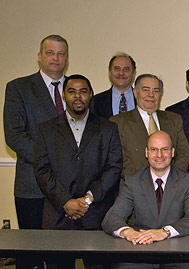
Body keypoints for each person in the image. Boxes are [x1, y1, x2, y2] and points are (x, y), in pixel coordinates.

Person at [33, 74, 122, 268]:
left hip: (97, 216)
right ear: (64, 95)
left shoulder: (109, 129)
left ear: (91, 94)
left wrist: (87, 199)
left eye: (83, 91)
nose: (78, 96)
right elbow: (42, 170)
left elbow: (114, 168)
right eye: (72, 91)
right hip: (58, 217)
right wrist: (65, 201)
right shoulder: (45, 130)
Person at [102, 131, 189, 269]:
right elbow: (111, 218)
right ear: (146, 152)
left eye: (165, 149)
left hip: (176, 253)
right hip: (139, 251)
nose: (159, 155)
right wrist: (129, 232)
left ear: (173, 152)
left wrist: (164, 232)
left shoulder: (188, 182)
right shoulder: (133, 181)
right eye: (154, 150)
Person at [4, 34, 68, 237]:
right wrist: (52, 159)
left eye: (61, 54)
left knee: (64, 255)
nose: (55, 58)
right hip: (32, 186)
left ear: (67, 58)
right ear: (39, 56)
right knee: (31, 251)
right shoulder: (18, 88)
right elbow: (15, 136)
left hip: (69, 189)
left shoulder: (77, 89)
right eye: (50, 53)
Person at [110, 74, 189, 177]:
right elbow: (119, 160)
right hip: (134, 188)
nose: (151, 95)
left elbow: (184, 153)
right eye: (146, 90)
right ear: (135, 93)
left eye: (156, 91)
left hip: (172, 188)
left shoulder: (174, 120)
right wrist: (147, 183)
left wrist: (169, 180)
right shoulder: (119, 123)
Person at [89, 52, 137, 119]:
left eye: (126, 69)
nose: (121, 73)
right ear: (110, 72)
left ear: (133, 73)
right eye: (117, 69)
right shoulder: (96, 101)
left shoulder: (142, 100)